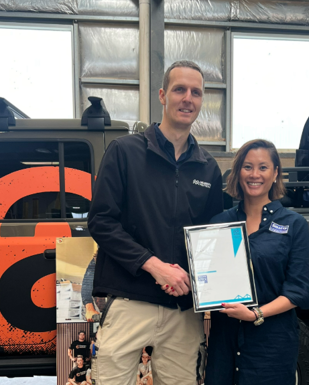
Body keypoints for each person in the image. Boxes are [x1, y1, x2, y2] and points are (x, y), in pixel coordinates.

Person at [87, 60, 223, 385]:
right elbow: (102, 222)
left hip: (182, 310)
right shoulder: (124, 152)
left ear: (202, 102)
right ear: (163, 95)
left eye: (196, 92)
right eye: (179, 89)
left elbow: (212, 240)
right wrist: (154, 265)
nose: (187, 98)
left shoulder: (208, 169)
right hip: (129, 300)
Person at [203, 139, 309, 385]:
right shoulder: (219, 223)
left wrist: (255, 314)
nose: (255, 174)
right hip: (224, 343)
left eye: (263, 167)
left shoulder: (293, 224)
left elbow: (297, 290)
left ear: (276, 172)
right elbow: (209, 282)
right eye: (247, 167)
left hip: (272, 345)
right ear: (237, 172)